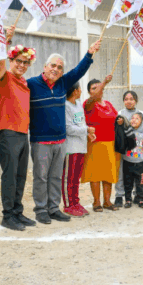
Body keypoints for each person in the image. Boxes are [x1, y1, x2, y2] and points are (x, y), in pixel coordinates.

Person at [27, 40, 101, 224]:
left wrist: (89, 54)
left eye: (60, 67)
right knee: (41, 177)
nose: (56, 70)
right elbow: (13, 93)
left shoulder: (62, 83)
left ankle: (53, 208)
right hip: (40, 141)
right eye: (53, 65)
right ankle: (41, 209)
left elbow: (78, 71)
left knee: (55, 177)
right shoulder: (31, 85)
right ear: (44, 67)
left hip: (60, 141)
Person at [0, 27, 37, 231]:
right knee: (10, 174)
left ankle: (17, 212)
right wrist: (5, 41)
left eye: (25, 62)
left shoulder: (24, 82)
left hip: (22, 132)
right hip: (7, 131)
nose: (21, 65)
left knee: (21, 174)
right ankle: (8, 215)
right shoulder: (5, 77)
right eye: (18, 61)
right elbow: (0, 65)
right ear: (11, 61)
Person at [82, 75, 120, 212]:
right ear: (89, 92)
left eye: (99, 87)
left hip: (111, 143)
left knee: (108, 173)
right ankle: (96, 202)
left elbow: (116, 118)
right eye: (94, 88)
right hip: (95, 143)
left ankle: (107, 201)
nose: (98, 90)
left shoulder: (108, 104)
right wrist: (104, 82)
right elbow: (93, 98)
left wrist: (120, 121)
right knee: (95, 174)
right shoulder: (88, 104)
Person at [61, 83, 95, 217]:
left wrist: (88, 133)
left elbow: (81, 123)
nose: (81, 91)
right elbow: (68, 128)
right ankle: (68, 205)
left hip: (81, 146)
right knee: (68, 178)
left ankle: (76, 202)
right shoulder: (66, 106)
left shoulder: (78, 104)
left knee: (76, 178)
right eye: (80, 88)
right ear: (75, 91)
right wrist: (86, 130)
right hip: (71, 148)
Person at [113, 90, 143, 207]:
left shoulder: (142, 114)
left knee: (138, 176)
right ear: (123, 101)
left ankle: (137, 196)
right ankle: (119, 196)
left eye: (131, 99)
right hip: (124, 150)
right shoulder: (120, 113)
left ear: (136, 100)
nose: (129, 101)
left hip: (138, 151)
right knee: (122, 175)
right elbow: (116, 131)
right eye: (126, 99)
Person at [121, 112, 143, 208]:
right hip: (127, 162)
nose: (134, 120)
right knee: (127, 182)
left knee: (140, 183)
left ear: (142, 122)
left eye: (137, 118)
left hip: (139, 164)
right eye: (132, 118)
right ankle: (128, 200)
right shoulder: (127, 133)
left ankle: (141, 199)